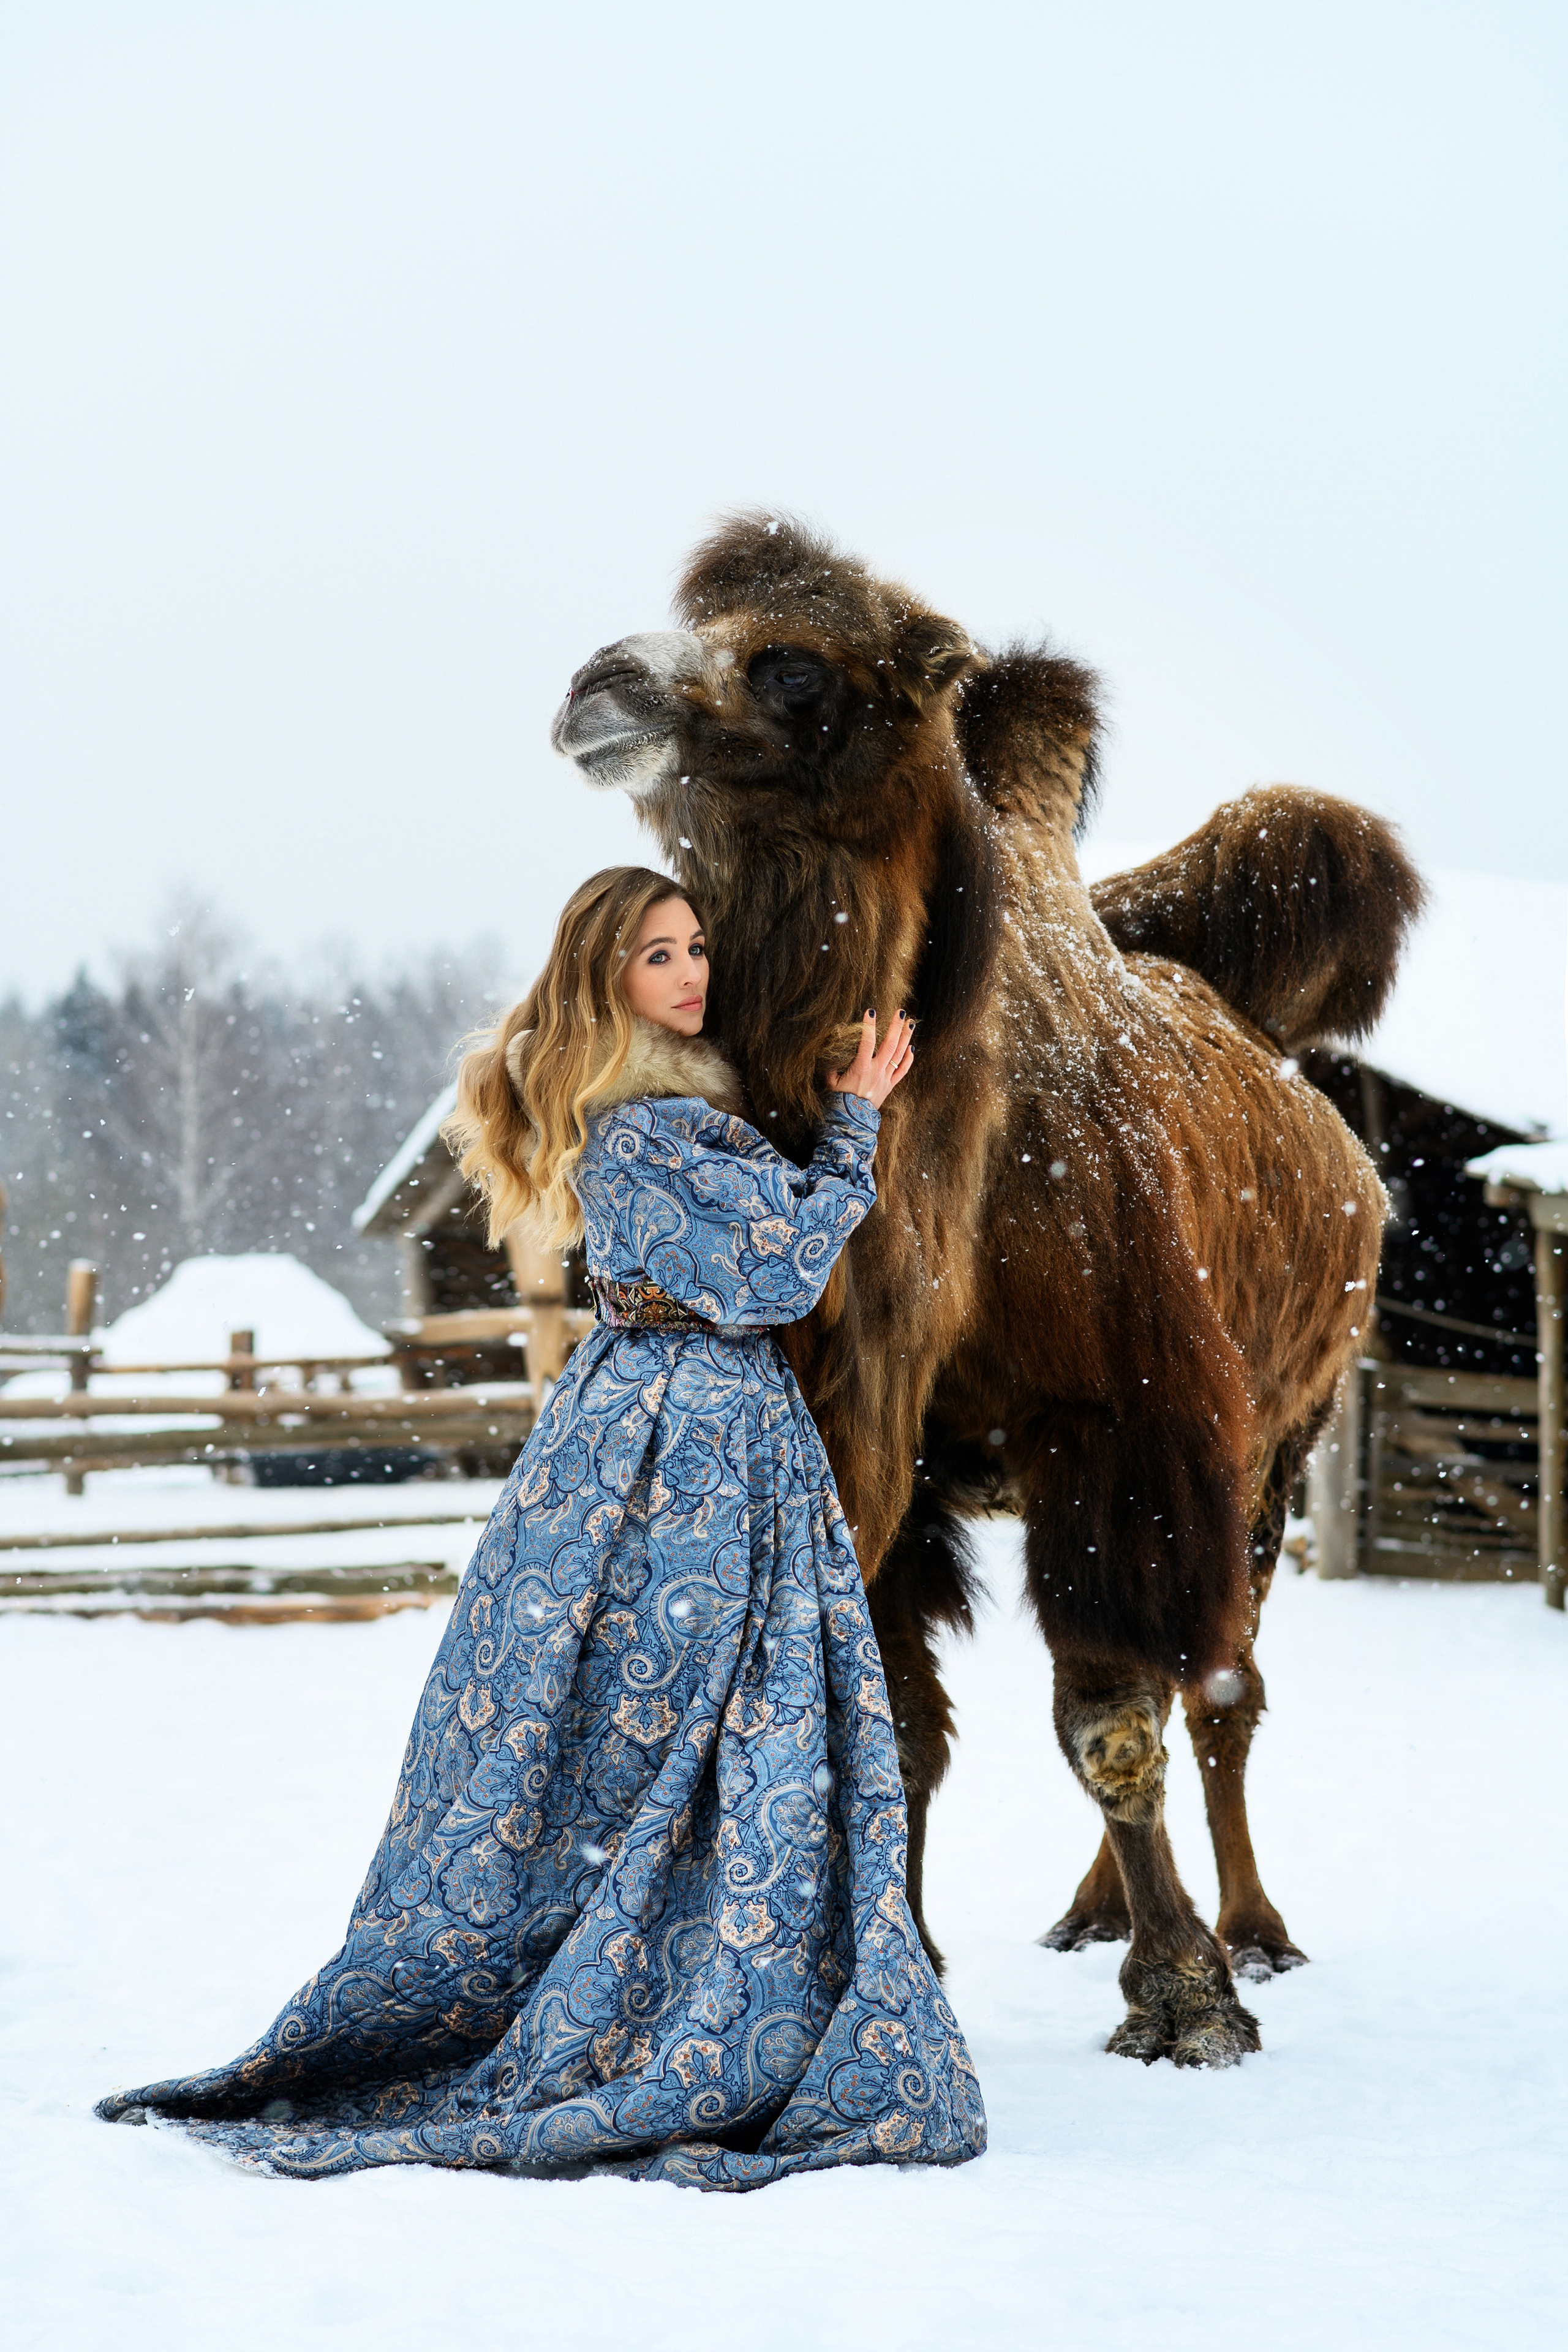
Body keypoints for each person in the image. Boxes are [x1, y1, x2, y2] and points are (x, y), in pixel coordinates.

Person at [97, 865, 986, 2189]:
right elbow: (777, 1268)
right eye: (657, 957)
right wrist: (853, 1128)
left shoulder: (690, 1107)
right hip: (670, 1440)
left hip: (716, 1429)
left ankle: (701, 1968)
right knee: (674, 1718)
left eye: (695, 949)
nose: (689, 976)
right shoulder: (632, 1125)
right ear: (601, 978)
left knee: (726, 1718)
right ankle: (645, 1995)